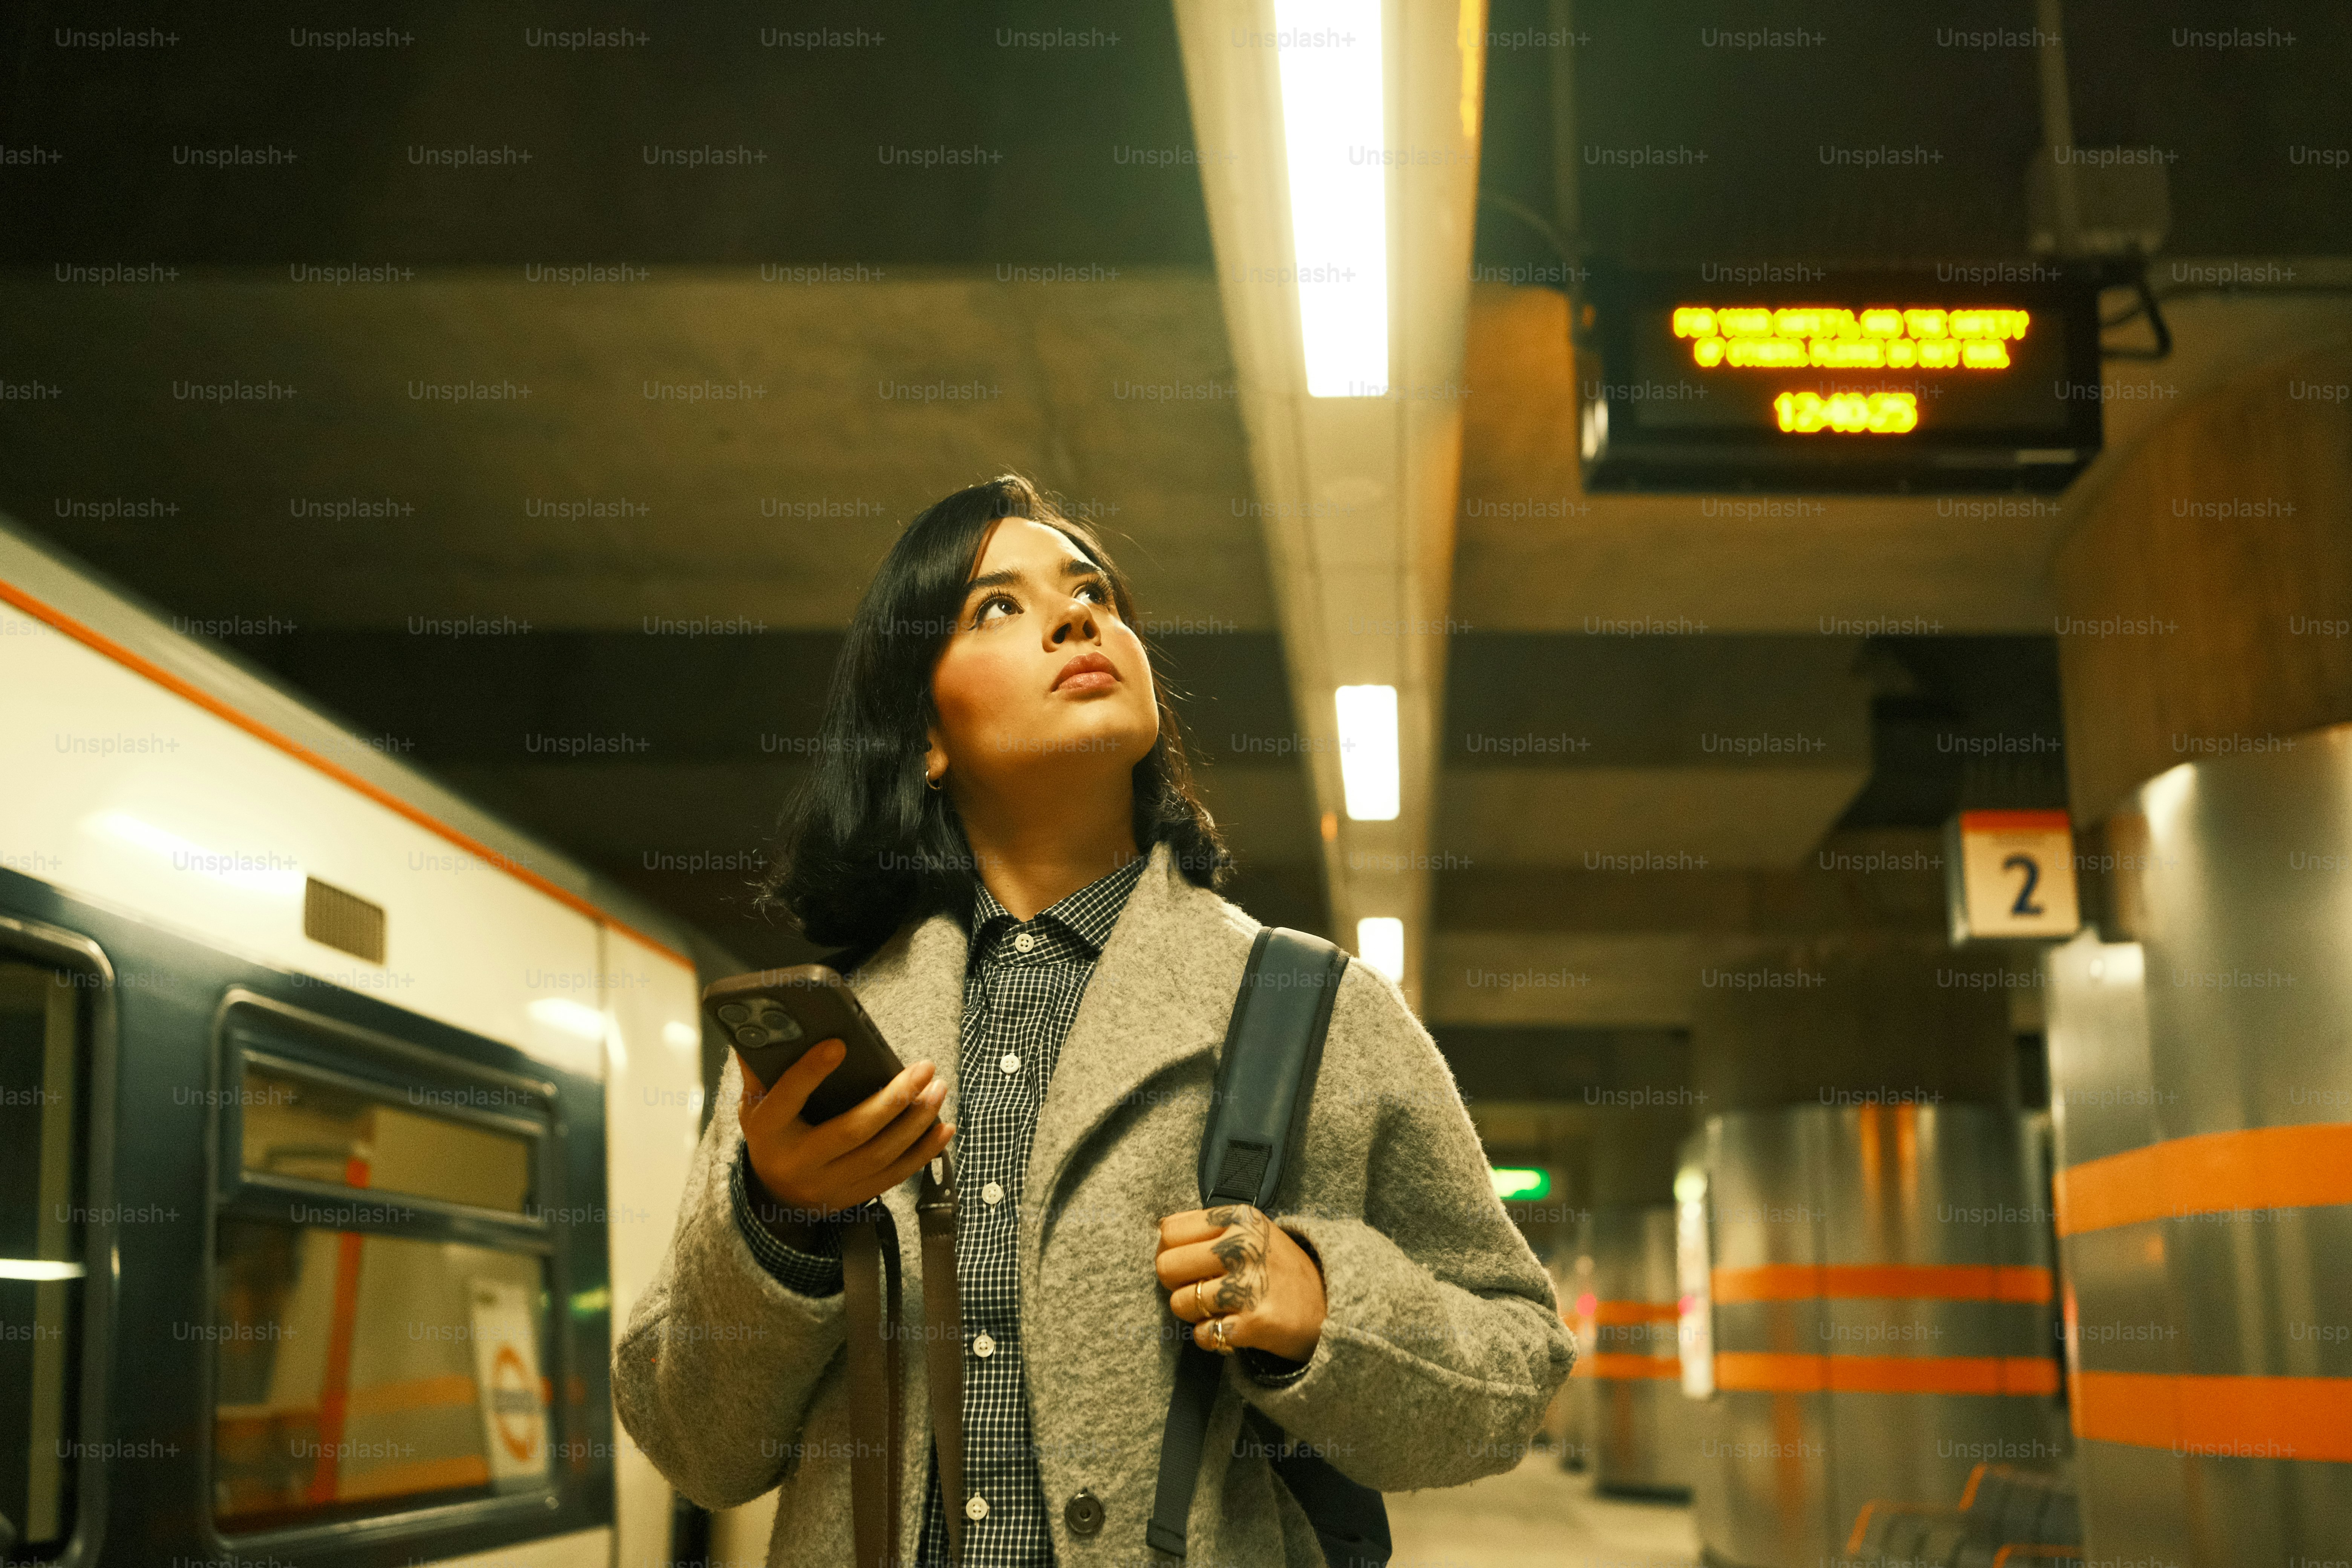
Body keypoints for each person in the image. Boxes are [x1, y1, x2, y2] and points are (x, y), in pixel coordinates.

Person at [615, 474, 1574, 1567]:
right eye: (995, 607)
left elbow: (1516, 1366)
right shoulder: (825, 1054)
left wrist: (1326, 1305)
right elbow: (696, 1450)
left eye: (1094, 593)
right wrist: (777, 1223)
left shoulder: (1315, 1009)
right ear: (925, 738)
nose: (1080, 616)